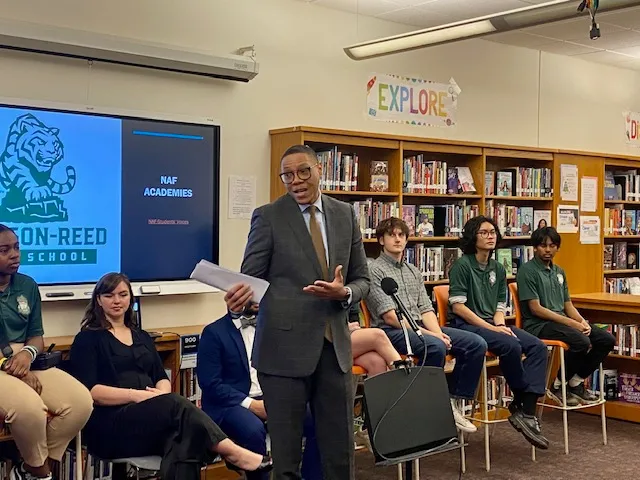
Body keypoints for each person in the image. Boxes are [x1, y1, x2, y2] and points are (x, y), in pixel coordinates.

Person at [225, 144, 370, 479]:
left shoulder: (344, 215)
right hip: (283, 352)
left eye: (303, 171)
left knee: (339, 453)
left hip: (334, 349)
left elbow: (362, 278)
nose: (296, 180)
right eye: (287, 175)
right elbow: (252, 280)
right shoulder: (269, 216)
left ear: (319, 170)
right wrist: (241, 298)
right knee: (287, 457)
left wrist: (345, 292)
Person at [68, 272, 272, 480]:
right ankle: (232, 452)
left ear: (131, 298)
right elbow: (90, 391)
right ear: (99, 300)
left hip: (150, 420)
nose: (117, 301)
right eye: (109, 295)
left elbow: (161, 376)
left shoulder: (142, 336)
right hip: (111, 425)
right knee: (177, 406)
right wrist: (138, 396)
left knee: (184, 439)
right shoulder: (87, 339)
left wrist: (161, 394)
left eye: (123, 294)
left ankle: (233, 453)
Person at [365, 217, 487, 434]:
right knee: (434, 346)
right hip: (391, 330)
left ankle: (452, 401)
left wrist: (438, 332)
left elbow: (425, 309)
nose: (397, 239)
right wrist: (430, 335)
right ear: (381, 240)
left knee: (475, 343)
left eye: (401, 235)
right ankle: (425, 405)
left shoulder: (413, 270)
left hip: (420, 326)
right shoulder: (374, 269)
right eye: (391, 235)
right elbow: (390, 316)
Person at [0, 224, 94, 480]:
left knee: (80, 402)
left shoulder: (27, 285)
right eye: (4, 250)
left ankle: (29, 469)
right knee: (30, 408)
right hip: (1, 366)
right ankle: (42, 473)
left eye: (17, 248)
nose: (14, 255)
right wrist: (15, 369)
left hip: (26, 359)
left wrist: (27, 355)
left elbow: (36, 335)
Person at [447, 216, 549, 449]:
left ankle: (526, 408)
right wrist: (494, 328)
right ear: (473, 237)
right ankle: (522, 398)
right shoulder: (463, 266)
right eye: (484, 232)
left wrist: (500, 324)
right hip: (467, 324)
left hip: (493, 324)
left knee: (537, 347)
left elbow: (500, 306)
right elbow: (459, 307)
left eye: (493, 232)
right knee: (510, 345)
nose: (490, 236)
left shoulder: (498, 268)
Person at [197, 298, 321, 480]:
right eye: (252, 294)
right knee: (253, 430)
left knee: (317, 419)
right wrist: (252, 405)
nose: (258, 300)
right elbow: (211, 384)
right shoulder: (214, 333)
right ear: (235, 297)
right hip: (231, 403)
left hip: (271, 395)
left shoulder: (272, 329)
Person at [516, 227, 616, 406]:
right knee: (581, 342)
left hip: (562, 321)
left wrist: (583, 322)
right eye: (543, 245)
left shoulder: (559, 272)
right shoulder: (527, 271)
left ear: (557, 248)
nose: (547, 250)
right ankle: (558, 385)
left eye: (552, 245)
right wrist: (573, 324)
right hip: (539, 325)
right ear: (535, 247)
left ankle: (575, 382)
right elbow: (536, 309)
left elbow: (567, 305)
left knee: (605, 339)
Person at [348, 303, 406, 376]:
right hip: (331, 341)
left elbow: (354, 317)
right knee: (378, 336)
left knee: (376, 362)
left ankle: (401, 382)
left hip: (346, 340)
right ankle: (404, 378)